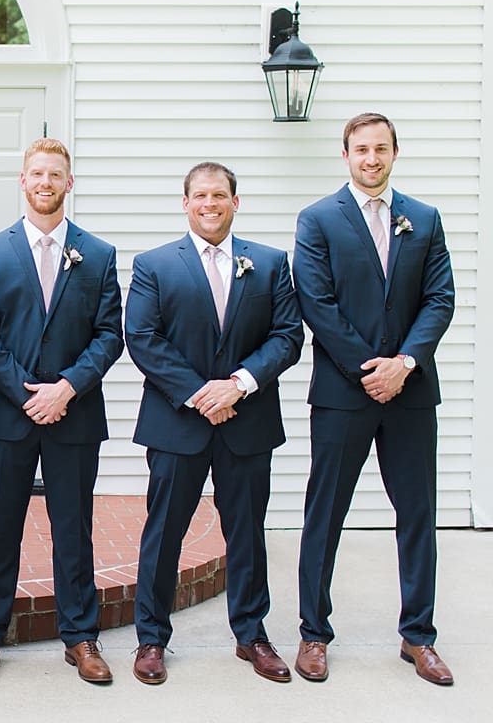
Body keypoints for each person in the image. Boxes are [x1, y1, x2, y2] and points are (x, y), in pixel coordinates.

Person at [124, 162, 303, 685]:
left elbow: (287, 336)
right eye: (200, 195)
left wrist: (240, 384)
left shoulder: (269, 264)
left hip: (246, 421)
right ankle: (151, 639)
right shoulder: (154, 264)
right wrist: (201, 394)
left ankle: (252, 634)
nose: (210, 204)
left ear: (234, 202)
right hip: (177, 423)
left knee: (246, 531)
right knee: (165, 533)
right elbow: (143, 337)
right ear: (185, 203)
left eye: (219, 195)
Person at [294, 113, 456, 685]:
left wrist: (404, 364)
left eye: (380, 148)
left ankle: (419, 637)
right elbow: (317, 303)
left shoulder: (426, 219)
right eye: (361, 149)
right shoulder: (317, 220)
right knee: (325, 514)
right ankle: (314, 634)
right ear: (346, 155)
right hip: (344, 393)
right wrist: (370, 370)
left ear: (394, 153)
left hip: (411, 394)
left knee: (417, 515)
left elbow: (440, 299)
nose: (371, 158)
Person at [0, 138, 123, 685]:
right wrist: (28, 394)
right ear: (23, 181)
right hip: (8, 417)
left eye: (56, 174)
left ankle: (80, 637)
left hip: (74, 417)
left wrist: (67, 389)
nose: (46, 182)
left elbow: (109, 336)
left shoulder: (98, 255)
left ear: (69, 183)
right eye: (37, 173)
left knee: (73, 529)